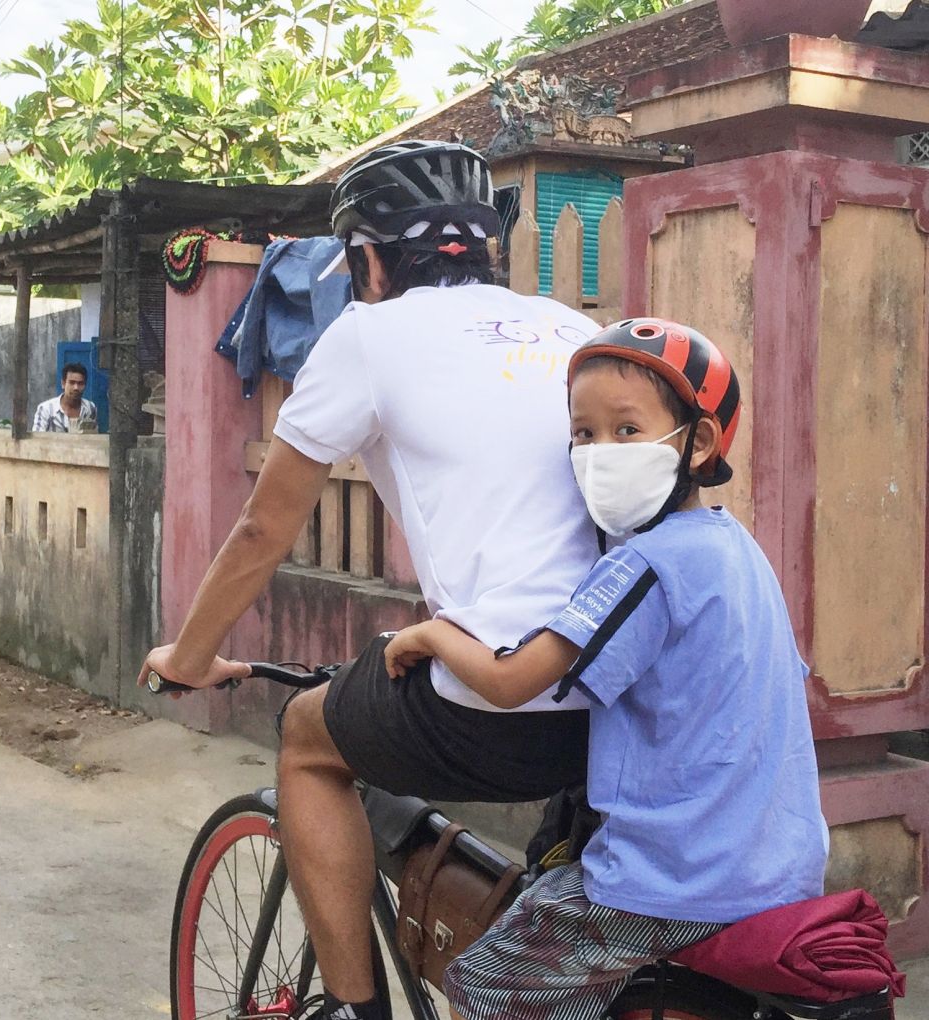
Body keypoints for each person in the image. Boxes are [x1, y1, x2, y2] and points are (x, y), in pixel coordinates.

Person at [139, 141, 601, 1020]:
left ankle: (357, 1008)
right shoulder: (571, 328)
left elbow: (263, 526)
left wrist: (191, 655)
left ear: (367, 260)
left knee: (311, 738)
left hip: (497, 699)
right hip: (617, 691)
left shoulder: (368, 333)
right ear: (491, 247)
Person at [381, 319, 827, 1020]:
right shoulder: (737, 549)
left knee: (481, 982)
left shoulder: (643, 564)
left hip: (673, 883)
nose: (597, 453)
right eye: (583, 435)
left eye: (626, 431)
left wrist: (435, 633)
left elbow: (509, 681)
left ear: (698, 443)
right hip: (781, 872)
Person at [31, 363, 97, 434]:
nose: (76, 388)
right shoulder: (46, 409)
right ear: (63, 384)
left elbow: (92, 438)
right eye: (72, 383)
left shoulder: (90, 408)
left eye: (80, 383)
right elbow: (37, 439)